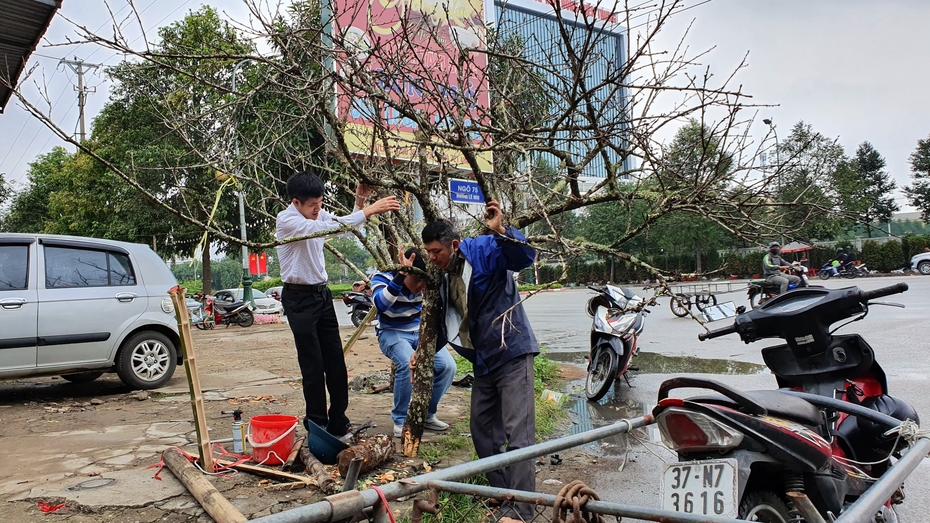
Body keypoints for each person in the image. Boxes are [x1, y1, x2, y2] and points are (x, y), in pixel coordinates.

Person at [421, 201, 538, 523]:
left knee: (519, 434)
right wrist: (425, 351)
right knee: (482, 430)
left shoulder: (484, 248)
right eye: (427, 252)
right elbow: (450, 320)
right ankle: (503, 495)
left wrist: (502, 230)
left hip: (511, 351)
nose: (432, 258)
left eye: (435, 251)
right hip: (484, 361)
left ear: (454, 245)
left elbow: (524, 256)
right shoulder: (443, 275)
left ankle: (523, 511)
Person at [276, 172, 399, 436]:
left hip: (321, 295)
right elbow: (331, 228)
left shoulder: (317, 215)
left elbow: (342, 225)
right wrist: (370, 210)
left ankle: (339, 420)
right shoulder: (287, 220)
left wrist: (359, 202)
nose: (317, 210)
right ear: (296, 202)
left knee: (335, 360)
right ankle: (317, 423)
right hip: (298, 299)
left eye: (320, 203)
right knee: (312, 364)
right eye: (312, 205)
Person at [372, 247, 456, 438]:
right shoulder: (382, 278)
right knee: (405, 363)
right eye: (417, 280)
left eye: (423, 281)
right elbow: (381, 305)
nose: (421, 287)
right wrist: (400, 277)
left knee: (447, 366)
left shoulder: (429, 284)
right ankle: (402, 420)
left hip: (420, 332)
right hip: (391, 333)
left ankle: (425, 414)